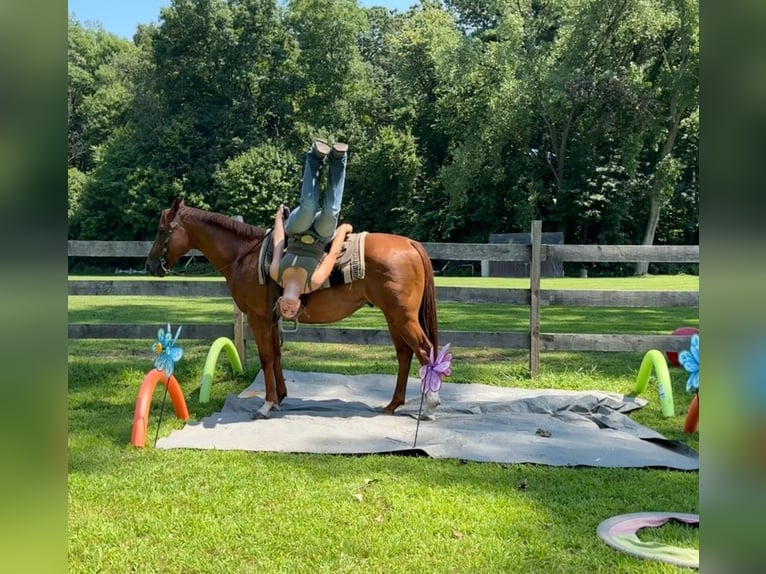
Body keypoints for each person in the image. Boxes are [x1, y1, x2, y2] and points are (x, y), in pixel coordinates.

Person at [269, 139, 353, 320]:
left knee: (308, 208)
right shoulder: (313, 283)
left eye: (284, 310)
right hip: (320, 238)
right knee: (331, 211)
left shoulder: (276, 274)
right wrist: (344, 229)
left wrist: (278, 219)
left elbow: (278, 244)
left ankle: (315, 157)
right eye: (292, 311)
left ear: (279, 302)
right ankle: (339, 159)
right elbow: (332, 255)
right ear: (300, 304)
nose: (289, 308)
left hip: (296, 232)